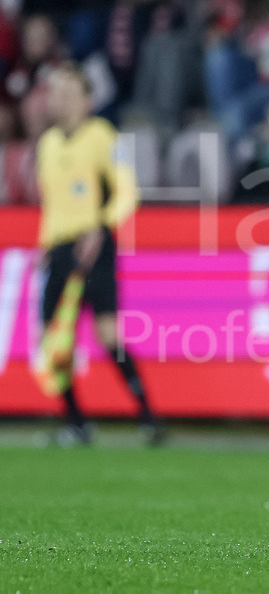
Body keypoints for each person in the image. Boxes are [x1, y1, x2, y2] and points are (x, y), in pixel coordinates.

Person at [35, 62, 163, 445]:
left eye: (71, 93)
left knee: (108, 334)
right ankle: (76, 422)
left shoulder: (102, 136)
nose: (62, 100)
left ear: (88, 100)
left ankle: (148, 416)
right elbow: (50, 203)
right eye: (57, 92)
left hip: (95, 242)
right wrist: (45, 244)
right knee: (53, 339)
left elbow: (127, 191)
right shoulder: (47, 144)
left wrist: (101, 225)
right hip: (59, 247)